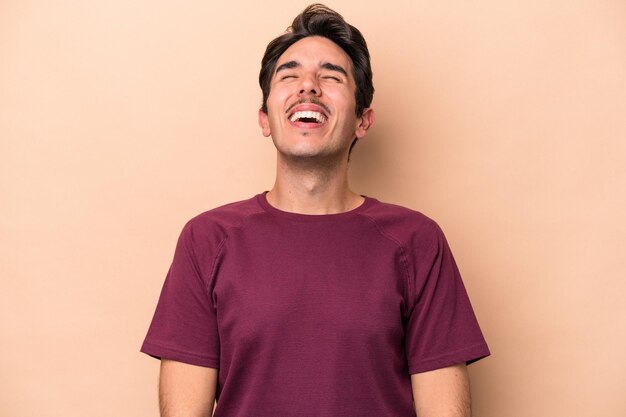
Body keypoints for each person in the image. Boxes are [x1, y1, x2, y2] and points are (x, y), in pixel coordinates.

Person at [141, 4, 490, 416]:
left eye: (331, 76)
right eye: (289, 76)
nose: (308, 87)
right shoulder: (206, 239)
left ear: (363, 120)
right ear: (265, 118)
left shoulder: (417, 242)